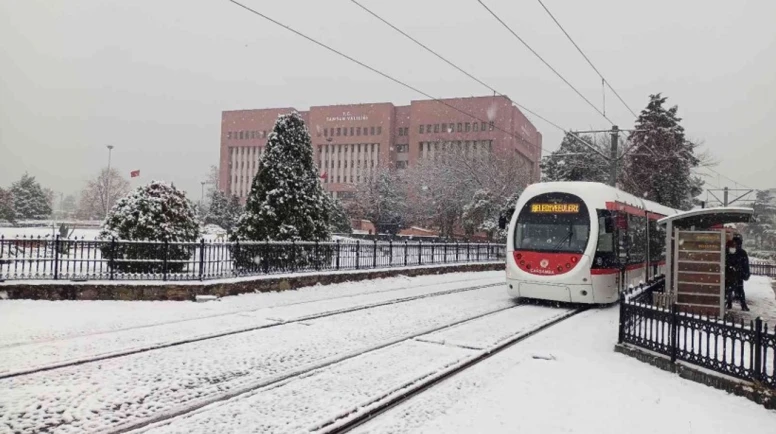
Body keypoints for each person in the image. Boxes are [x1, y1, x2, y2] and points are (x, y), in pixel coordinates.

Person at [725, 233, 751, 311]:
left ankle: (730, 303)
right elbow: (745, 265)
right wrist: (745, 273)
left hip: (731, 274)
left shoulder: (728, 251)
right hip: (737, 274)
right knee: (739, 290)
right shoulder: (742, 252)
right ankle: (742, 305)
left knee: (730, 290)